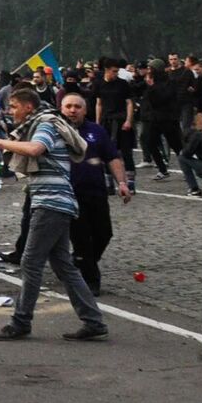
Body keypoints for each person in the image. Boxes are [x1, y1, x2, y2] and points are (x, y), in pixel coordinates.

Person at [0, 88, 107, 342]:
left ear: (29, 107)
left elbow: (36, 149)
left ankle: (21, 322)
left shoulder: (46, 123)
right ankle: (93, 321)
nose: (11, 111)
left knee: (30, 262)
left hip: (51, 203)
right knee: (63, 265)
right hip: (54, 202)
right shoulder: (40, 122)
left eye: (14, 106)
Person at [59, 93, 131, 294]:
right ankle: (90, 280)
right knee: (81, 238)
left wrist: (122, 183)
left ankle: (81, 263)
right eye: (68, 106)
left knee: (104, 233)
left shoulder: (96, 131)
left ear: (85, 109)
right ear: (62, 109)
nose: (73, 110)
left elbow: (112, 158)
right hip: (70, 194)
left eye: (77, 107)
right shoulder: (55, 131)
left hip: (96, 192)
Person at [138, 61, 184, 178]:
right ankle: (162, 169)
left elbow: (161, 99)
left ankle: (188, 168)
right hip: (155, 119)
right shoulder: (151, 82)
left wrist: (152, 87)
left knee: (177, 145)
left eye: (150, 68)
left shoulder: (169, 82)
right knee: (150, 143)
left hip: (168, 119)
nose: (148, 71)